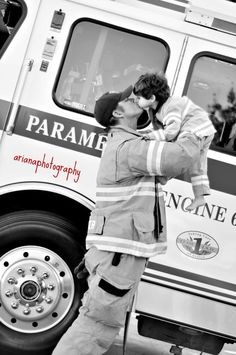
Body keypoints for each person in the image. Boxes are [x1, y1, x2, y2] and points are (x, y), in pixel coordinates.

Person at [52, 85, 200, 355]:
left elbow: (167, 166)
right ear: (118, 113)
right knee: (95, 326)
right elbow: (182, 157)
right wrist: (193, 126)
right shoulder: (129, 148)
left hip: (116, 255)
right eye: (128, 99)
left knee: (96, 325)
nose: (135, 98)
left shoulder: (130, 145)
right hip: (118, 257)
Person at [133, 72, 216, 211]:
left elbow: (171, 132)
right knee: (197, 167)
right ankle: (200, 197)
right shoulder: (156, 110)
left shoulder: (170, 106)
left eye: (139, 98)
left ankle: (162, 177)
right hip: (204, 131)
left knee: (180, 155)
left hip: (194, 130)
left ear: (152, 98)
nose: (137, 100)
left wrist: (150, 136)